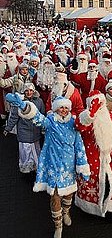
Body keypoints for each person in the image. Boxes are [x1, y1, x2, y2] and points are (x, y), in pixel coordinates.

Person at [5, 94, 90, 238]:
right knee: (55, 196)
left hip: (69, 167)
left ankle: (66, 212)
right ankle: (58, 225)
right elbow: (37, 118)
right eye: (61, 107)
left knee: (68, 193)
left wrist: (82, 166)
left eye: (66, 107)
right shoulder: (50, 121)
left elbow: (79, 146)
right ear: (56, 109)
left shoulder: (74, 124)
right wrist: (23, 106)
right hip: (54, 166)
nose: (63, 110)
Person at [74, 90, 112, 222]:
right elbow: (79, 126)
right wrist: (91, 113)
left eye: (101, 103)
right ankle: (89, 209)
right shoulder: (85, 117)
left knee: (110, 183)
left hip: (109, 158)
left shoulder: (109, 116)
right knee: (92, 185)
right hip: (91, 159)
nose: (100, 106)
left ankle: (109, 210)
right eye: (97, 103)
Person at [3, 83, 45, 174]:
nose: (29, 92)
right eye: (26, 90)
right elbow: (14, 117)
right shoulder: (18, 102)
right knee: (25, 150)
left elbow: (42, 115)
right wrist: (8, 128)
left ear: (34, 91)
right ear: (23, 91)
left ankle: (37, 166)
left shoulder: (39, 101)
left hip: (35, 130)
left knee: (36, 149)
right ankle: (26, 167)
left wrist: (43, 128)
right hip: (23, 130)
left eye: (31, 90)